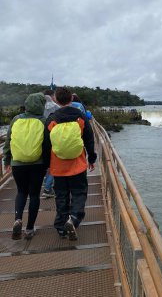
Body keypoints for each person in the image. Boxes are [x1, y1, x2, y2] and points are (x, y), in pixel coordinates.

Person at [43, 87, 97, 240]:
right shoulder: (80, 116)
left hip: (58, 166)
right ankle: (73, 218)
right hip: (77, 165)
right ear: (71, 99)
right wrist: (92, 159)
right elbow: (89, 139)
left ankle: (61, 227)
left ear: (56, 100)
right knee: (79, 193)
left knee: (61, 196)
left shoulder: (52, 118)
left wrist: (47, 165)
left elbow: (46, 145)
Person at [3, 93, 47, 240]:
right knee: (34, 194)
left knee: (21, 192)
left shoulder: (16, 119)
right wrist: (48, 164)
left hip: (18, 164)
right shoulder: (43, 120)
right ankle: (29, 229)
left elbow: (9, 141)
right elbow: (47, 145)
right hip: (37, 164)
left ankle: (17, 219)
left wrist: (7, 161)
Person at [42, 89, 60, 198]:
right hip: (54, 137)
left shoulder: (40, 108)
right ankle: (48, 187)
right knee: (53, 163)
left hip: (41, 138)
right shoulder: (56, 107)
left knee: (46, 162)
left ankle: (46, 184)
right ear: (52, 96)